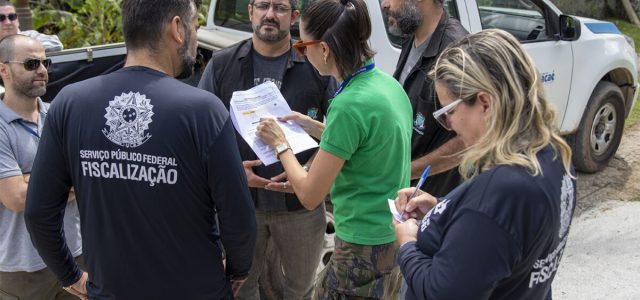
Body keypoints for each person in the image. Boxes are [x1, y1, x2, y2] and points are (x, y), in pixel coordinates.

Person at [23, 0, 256, 299]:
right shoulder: (203, 111)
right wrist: (237, 270)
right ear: (177, 29)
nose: (196, 38)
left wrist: (69, 275)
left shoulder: (69, 103)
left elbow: (38, 212)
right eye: (195, 27)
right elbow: (239, 218)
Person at [393, 29, 576, 299]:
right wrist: (440, 208)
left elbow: (441, 293)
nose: (450, 126)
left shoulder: (503, 190)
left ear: (485, 103)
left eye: (448, 113)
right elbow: (504, 230)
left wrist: (407, 244)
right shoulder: (554, 153)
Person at [256, 0, 412, 298]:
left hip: (360, 243)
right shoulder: (386, 86)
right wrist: (315, 127)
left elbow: (309, 194)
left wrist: (280, 144)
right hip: (390, 233)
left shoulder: (349, 105)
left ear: (324, 49)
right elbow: (366, 144)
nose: (301, 52)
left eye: (303, 46)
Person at [198, 0, 333, 298]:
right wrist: (232, 173)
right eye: (262, 5)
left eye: (280, 7)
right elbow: (200, 134)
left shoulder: (316, 64)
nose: (270, 14)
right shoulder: (222, 64)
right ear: (250, 12)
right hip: (241, 204)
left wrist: (311, 170)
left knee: (299, 289)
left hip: (301, 208)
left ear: (294, 17)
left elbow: (338, 132)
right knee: (241, 288)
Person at [0, 34, 82, 300]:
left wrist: (28, 179)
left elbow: (87, 178)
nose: (43, 70)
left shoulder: (59, 116)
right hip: (22, 270)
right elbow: (16, 197)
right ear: (4, 70)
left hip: (76, 256)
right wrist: (65, 180)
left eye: (46, 62)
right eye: (31, 63)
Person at [381, 0, 467, 197]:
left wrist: (407, 170)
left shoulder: (456, 53)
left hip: (434, 199)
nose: (384, 4)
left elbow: (468, 141)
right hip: (404, 194)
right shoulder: (412, 36)